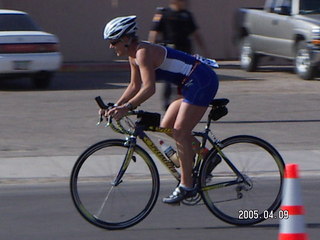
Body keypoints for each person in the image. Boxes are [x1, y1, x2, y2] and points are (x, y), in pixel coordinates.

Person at [102, 15, 219, 204]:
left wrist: (127, 107)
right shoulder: (134, 56)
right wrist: (115, 106)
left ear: (125, 39)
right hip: (190, 83)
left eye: (113, 41)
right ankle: (207, 157)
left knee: (180, 131)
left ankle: (186, 186)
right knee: (167, 126)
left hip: (201, 80)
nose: (110, 46)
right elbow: (134, 86)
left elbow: (149, 88)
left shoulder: (142, 52)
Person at [149, 0, 209, 110]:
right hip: (170, 49)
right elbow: (154, 31)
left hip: (185, 49)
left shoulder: (187, 15)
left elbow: (195, 33)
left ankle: (182, 100)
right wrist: (150, 49)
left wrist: (204, 50)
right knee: (169, 76)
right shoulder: (164, 13)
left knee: (185, 76)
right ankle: (167, 102)